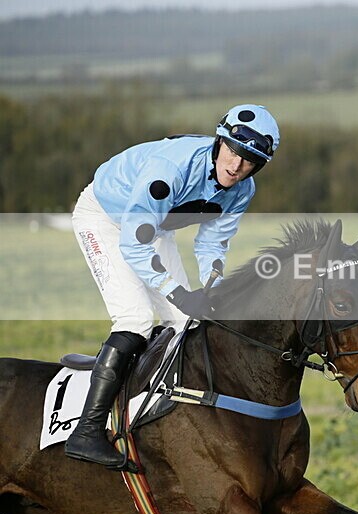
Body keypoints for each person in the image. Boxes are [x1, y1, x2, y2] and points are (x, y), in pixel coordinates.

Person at [65, 104, 279, 469]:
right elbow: (133, 243)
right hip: (105, 219)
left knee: (187, 323)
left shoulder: (242, 189)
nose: (236, 167)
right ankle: (86, 432)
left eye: (249, 162)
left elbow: (213, 243)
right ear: (219, 141)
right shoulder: (172, 169)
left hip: (154, 225)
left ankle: (159, 413)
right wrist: (179, 292)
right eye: (232, 152)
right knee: (135, 319)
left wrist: (212, 286)